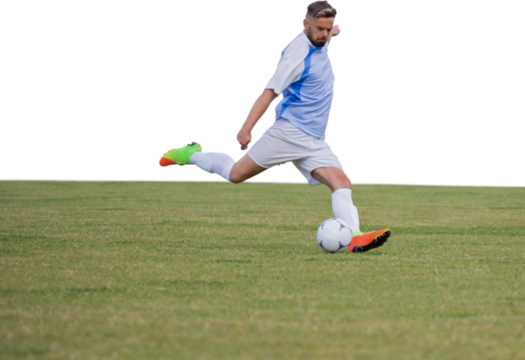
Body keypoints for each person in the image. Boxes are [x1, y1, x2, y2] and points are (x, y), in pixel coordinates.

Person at [157, 0, 390, 253]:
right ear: (305, 24)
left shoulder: (322, 37)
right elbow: (269, 93)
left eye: (328, 28)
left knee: (341, 181)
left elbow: (331, 32)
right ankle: (192, 154)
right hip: (289, 133)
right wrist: (246, 128)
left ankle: (354, 237)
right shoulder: (296, 55)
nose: (324, 34)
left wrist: (334, 31)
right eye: (320, 29)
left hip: (314, 139)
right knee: (236, 174)